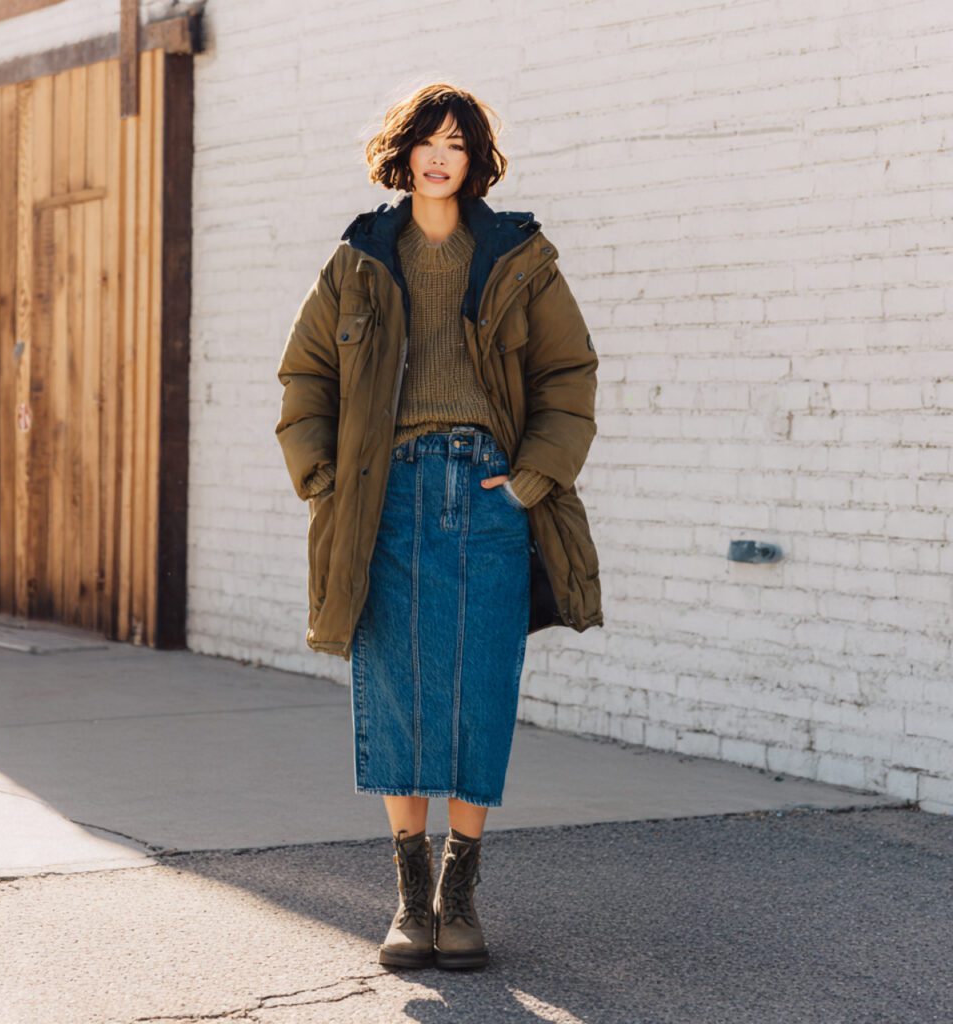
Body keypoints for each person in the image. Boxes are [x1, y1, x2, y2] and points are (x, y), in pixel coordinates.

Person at [275, 82, 602, 971]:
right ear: (403, 150)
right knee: (395, 689)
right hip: (388, 496)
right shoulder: (359, 258)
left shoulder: (517, 256)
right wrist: (327, 482)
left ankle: (461, 900)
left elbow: (568, 375)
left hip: (487, 495)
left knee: (479, 692)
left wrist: (530, 479)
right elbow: (306, 379)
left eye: (457, 142)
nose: (439, 155)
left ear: (475, 160)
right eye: (427, 138)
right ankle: (409, 901)